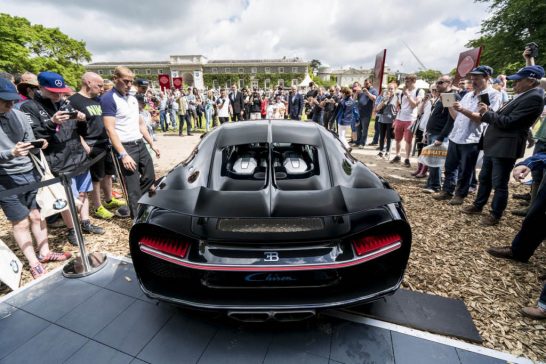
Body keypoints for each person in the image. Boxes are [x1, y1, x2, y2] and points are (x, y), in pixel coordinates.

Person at [21, 71, 104, 245]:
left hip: (78, 156)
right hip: (58, 160)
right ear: (41, 88)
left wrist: (82, 121)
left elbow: (83, 133)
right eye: (53, 91)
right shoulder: (30, 107)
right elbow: (37, 138)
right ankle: (72, 229)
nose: (58, 95)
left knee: (83, 193)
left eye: (60, 91)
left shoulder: (66, 102)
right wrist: (52, 122)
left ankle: (85, 222)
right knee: (68, 198)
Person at [0, 78, 71, 279]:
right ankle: (33, 262)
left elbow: (30, 139)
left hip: (30, 171)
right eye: (5, 100)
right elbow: (9, 151)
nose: (10, 104)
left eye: (13, 99)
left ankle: (45, 252)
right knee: (20, 222)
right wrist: (9, 153)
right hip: (5, 179)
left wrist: (39, 144)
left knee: (38, 216)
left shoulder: (20, 116)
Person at [462, 65, 545, 226]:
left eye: (518, 81)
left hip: (506, 147)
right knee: (485, 177)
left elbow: (509, 122)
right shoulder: (526, 94)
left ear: (530, 81)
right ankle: (478, 205)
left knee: (499, 183)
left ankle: (495, 214)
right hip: (496, 144)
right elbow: (504, 116)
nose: (514, 84)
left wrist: (486, 114)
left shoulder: (534, 97)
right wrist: (490, 111)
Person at [433, 67, 501, 204]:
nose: (473, 81)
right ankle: (447, 190)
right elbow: (456, 117)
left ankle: (460, 195)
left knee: (466, 169)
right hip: (456, 136)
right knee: (450, 166)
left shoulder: (493, 95)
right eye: (472, 78)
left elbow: (482, 118)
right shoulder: (469, 95)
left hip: (472, 138)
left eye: (477, 78)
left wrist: (462, 109)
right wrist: (450, 105)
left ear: (487, 78)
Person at [101, 66, 160, 217]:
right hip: (125, 147)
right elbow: (110, 129)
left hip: (139, 144)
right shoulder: (108, 99)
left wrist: (152, 143)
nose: (129, 84)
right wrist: (123, 154)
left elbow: (140, 123)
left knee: (150, 177)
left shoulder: (133, 98)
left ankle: (140, 205)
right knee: (132, 186)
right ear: (115, 79)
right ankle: (137, 218)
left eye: (131, 81)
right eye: (125, 81)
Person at [70, 72, 126, 220]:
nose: (101, 89)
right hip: (91, 144)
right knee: (96, 177)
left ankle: (108, 199)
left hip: (105, 142)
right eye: (99, 85)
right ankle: (97, 207)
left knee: (108, 173)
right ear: (88, 82)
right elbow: (71, 128)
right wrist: (84, 145)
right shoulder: (74, 101)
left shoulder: (98, 100)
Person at [391, 74, 424, 167]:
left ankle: (407, 158)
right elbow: (398, 105)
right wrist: (396, 118)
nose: (406, 82)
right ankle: (397, 156)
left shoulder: (419, 91)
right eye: (405, 80)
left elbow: (414, 105)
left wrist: (408, 95)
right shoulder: (402, 92)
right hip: (400, 118)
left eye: (408, 81)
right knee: (397, 139)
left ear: (414, 81)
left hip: (410, 119)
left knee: (408, 140)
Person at [375, 83, 398, 159]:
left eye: (392, 89)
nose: (390, 90)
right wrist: (384, 100)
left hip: (391, 120)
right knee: (381, 136)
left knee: (389, 136)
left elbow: (398, 109)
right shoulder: (384, 97)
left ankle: (388, 152)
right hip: (382, 119)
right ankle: (381, 151)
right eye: (389, 88)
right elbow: (377, 108)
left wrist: (396, 120)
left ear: (395, 90)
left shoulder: (397, 98)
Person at [354, 80, 378, 148]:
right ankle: (358, 141)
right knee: (358, 128)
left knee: (365, 129)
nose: (365, 85)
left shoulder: (373, 90)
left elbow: (374, 98)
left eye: (367, 84)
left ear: (370, 83)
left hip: (366, 113)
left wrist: (367, 92)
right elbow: (355, 99)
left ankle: (362, 143)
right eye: (364, 84)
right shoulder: (361, 90)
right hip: (359, 112)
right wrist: (356, 93)